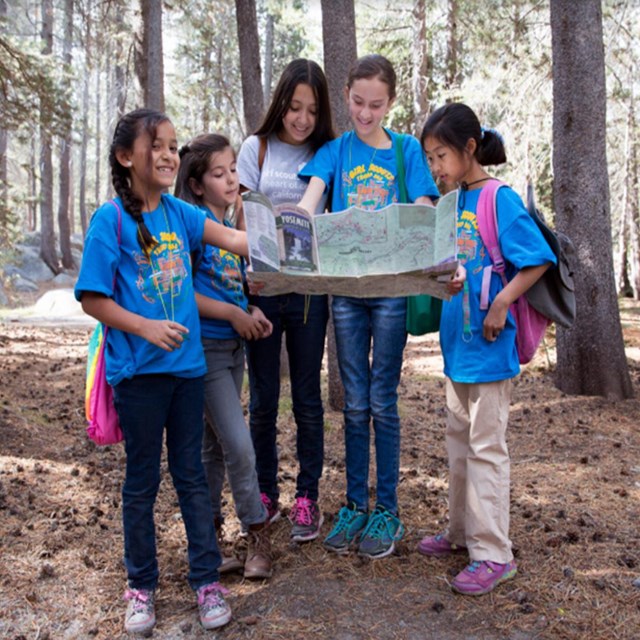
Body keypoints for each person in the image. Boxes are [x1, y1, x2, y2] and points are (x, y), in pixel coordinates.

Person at [74, 109, 248, 634]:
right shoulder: (112, 220)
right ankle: (141, 587)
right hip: (138, 376)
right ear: (128, 157)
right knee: (142, 483)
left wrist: (294, 233)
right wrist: (147, 328)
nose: (171, 154)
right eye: (160, 145)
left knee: (192, 477)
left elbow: (238, 242)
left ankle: (205, 580)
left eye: (175, 145)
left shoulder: (180, 214)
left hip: (188, 371)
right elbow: (92, 298)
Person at [297, 54, 440, 559]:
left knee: (382, 399)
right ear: (348, 95)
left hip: (392, 291)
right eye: (357, 102)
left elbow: (424, 208)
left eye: (375, 104)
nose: (364, 113)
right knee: (354, 402)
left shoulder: (404, 151)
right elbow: (311, 199)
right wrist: (294, 227)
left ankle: (387, 509)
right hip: (347, 293)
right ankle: (355, 503)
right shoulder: (337, 150)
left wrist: (424, 231)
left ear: (390, 103)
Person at [417, 102, 556, 595]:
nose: (435, 167)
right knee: (458, 446)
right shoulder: (453, 203)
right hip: (457, 347)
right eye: (429, 158)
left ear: (469, 149)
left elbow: (538, 260)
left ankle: (494, 552)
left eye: (440, 156)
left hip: (492, 348)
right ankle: (461, 534)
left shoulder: (499, 199)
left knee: (486, 449)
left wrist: (500, 302)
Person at [236, 58, 334, 543]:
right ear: (280, 104)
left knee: (307, 399)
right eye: (294, 107)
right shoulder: (256, 148)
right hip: (262, 288)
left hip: (310, 291)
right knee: (264, 399)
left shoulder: (327, 153)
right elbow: (241, 216)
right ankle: (265, 492)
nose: (301, 118)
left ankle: (307, 498)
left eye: (312, 110)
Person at [174, 133, 274, 580]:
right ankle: (257, 533)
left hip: (234, 351)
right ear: (196, 184)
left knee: (213, 447)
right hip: (206, 349)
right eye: (219, 173)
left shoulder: (231, 223)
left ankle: (209, 542)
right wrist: (234, 314)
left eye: (233, 169)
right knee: (238, 444)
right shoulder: (192, 224)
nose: (231, 178)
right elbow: (185, 293)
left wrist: (249, 309)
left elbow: (232, 285)